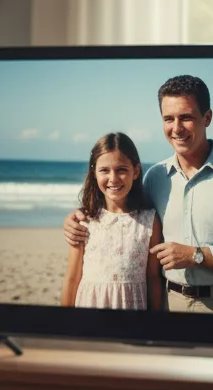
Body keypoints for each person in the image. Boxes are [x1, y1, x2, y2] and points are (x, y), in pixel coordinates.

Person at [62, 75, 213, 315]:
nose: (176, 128)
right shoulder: (155, 177)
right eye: (168, 119)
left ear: (207, 118)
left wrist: (196, 255)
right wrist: (76, 218)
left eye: (186, 117)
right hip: (169, 305)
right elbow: (125, 213)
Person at [61, 133, 164, 311]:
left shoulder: (149, 220)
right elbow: (72, 278)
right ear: (94, 173)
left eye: (121, 169)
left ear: (136, 171)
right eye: (104, 170)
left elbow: (153, 278)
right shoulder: (84, 220)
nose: (113, 178)